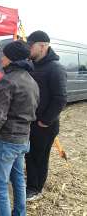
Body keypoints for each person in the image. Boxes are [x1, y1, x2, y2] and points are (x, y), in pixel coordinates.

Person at [0, 40, 39, 216]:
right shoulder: (32, 81)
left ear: (12, 59)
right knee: (18, 180)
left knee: (0, 186)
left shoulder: (6, 81)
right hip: (23, 139)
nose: (2, 57)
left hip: (6, 141)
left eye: (5, 55)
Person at [25, 31, 67, 201]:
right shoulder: (33, 65)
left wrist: (45, 120)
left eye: (31, 45)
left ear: (42, 46)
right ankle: (31, 183)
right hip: (31, 121)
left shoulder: (55, 68)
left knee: (39, 157)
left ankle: (35, 189)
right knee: (30, 154)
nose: (29, 49)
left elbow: (61, 98)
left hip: (45, 125)